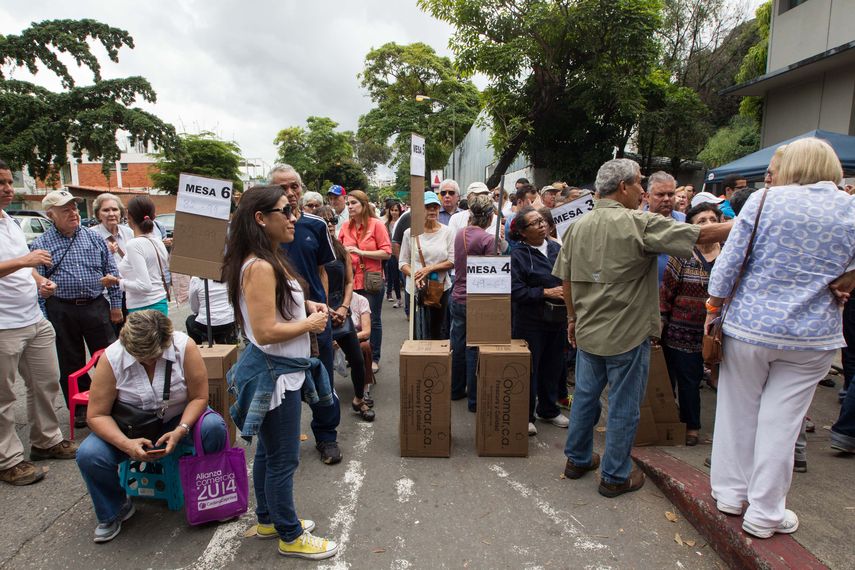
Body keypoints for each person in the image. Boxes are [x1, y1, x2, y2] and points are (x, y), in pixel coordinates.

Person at [553, 158, 732, 498]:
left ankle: (577, 459)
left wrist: (572, 319)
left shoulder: (578, 225)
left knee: (586, 399)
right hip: (627, 334)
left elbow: (567, 279)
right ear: (623, 187)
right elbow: (702, 234)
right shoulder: (638, 222)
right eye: (639, 183)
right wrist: (751, 222)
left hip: (589, 330)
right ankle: (614, 476)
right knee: (623, 406)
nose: (642, 191)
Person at [705, 137, 855, 539]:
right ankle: (765, 512)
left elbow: (728, 264)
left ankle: (730, 495)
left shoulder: (763, 201)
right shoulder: (850, 207)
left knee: (736, 411)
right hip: (813, 334)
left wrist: (713, 307)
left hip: (750, 327)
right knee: (782, 424)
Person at [222, 185, 338, 559]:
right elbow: (265, 331)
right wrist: (310, 324)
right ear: (260, 218)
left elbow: (275, 307)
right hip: (275, 375)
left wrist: (306, 304)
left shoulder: (265, 259)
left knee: (270, 454)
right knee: (283, 459)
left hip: (279, 372)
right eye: (285, 211)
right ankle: (290, 534)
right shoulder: (258, 265)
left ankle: (269, 519)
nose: (293, 218)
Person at [75, 310, 227, 543]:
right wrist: (126, 444)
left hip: (178, 418)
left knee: (214, 427)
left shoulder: (183, 347)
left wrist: (181, 429)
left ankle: (212, 495)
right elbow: (96, 415)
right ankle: (115, 509)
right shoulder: (112, 357)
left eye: (155, 356)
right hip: (130, 427)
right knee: (89, 455)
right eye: (142, 358)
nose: (149, 362)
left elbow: (199, 397)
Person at [0, 162, 77, 487]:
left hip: (33, 317)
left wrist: (38, 280)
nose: (8, 188)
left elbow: (24, 267)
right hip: (4, 325)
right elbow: (22, 261)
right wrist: (26, 261)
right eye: (1, 183)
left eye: (9, 182)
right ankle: (8, 460)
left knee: (46, 382)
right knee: (4, 397)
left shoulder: (10, 222)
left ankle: (46, 441)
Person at [270, 165, 342, 465]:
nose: (289, 193)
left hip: (316, 319)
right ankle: (283, 441)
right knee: (282, 386)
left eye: (294, 186)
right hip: (279, 322)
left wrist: (322, 303)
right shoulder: (264, 228)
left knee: (322, 381)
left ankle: (327, 437)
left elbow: (322, 271)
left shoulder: (315, 225)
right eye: (281, 188)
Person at [32, 190, 122, 424]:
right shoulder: (41, 245)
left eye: (74, 208)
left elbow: (111, 272)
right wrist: (44, 318)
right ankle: (81, 408)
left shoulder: (94, 238)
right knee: (70, 359)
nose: (73, 213)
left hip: (95, 305)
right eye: (66, 210)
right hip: (62, 308)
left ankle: (115, 401)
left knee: (109, 356)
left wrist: (116, 305)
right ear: (50, 215)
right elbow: (37, 285)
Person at [659, 202, 723, 446]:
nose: (709, 224)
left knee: (724, 382)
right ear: (692, 228)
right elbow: (667, 292)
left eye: (712, 219)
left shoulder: (729, 253)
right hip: (683, 330)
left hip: (720, 332)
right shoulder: (682, 255)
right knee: (688, 379)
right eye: (701, 221)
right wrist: (661, 323)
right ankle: (691, 425)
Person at [510, 207, 569, 436]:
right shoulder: (518, 255)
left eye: (542, 221)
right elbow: (516, 291)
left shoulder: (557, 248)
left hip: (557, 319)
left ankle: (548, 409)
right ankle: (526, 416)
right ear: (523, 232)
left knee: (553, 366)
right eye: (534, 223)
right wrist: (545, 292)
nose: (542, 225)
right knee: (529, 369)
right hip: (530, 322)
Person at [318, 206, 374, 422]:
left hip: (342, 310)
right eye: (325, 221)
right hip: (319, 312)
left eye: (332, 220)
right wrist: (326, 308)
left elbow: (350, 281)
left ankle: (359, 398)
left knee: (357, 359)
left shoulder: (341, 250)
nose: (330, 224)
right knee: (323, 366)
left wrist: (344, 307)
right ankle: (326, 411)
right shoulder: (312, 250)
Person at [449, 195, 496, 408]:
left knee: (458, 345)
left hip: (458, 296)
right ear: (489, 216)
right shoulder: (487, 240)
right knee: (474, 348)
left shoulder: (460, 234)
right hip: (478, 299)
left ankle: (456, 389)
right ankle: (475, 400)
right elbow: (492, 272)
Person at [339, 190, 391, 373]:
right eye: (348, 203)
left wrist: (361, 252)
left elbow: (387, 252)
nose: (350, 206)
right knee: (351, 320)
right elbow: (338, 251)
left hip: (371, 279)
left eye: (354, 203)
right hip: (350, 280)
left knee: (373, 320)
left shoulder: (377, 225)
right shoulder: (345, 226)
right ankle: (355, 355)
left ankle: (373, 358)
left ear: (364, 204)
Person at [101, 196, 170, 316]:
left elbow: (145, 286)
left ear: (129, 217)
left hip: (143, 308)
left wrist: (117, 281)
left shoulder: (134, 244)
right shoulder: (158, 241)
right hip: (160, 302)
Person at [399, 191, 454, 341]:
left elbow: (452, 261)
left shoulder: (447, 232)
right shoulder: (410, 233)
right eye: (428, 207)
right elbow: (402, 262)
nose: (432, 210)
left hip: (440, 288)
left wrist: (428, 269)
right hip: (416, 289)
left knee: (438, 330)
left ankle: (436, 356)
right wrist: (415, 275)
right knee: (417, 331)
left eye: (435, 207)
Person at [185, 277, 238, 345]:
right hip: (229, 321)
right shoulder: (227, 275)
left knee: (190, 320)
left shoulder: (196, 279)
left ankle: (197, 347)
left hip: (206, 325)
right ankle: (225, 340)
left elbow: (194, 306)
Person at [384, 202, 403, 308]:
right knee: (394, 276)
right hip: (391, 254)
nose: (394, 212)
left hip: (403, 252)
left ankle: (409, 300)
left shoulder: (403, 222)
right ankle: (399, 298)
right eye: (392, 210)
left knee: (404, 277)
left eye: (396, 210)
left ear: (400, 211)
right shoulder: (386, 224)